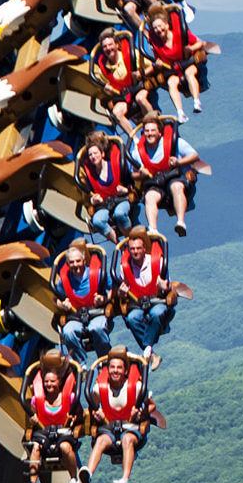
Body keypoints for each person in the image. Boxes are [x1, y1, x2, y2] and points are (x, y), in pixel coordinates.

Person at [83, 348, 154, 483]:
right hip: (108, 428)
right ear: (108, 370)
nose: (115, 371)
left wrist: (141, 414)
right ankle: (88, 473)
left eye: (119, 368)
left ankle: (124, 480)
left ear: (126, 371)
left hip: (131, 427)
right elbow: (93, 407)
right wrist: (97, 415)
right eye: (112, 367)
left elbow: (151, 406)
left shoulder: (137, 388)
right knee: (101, 441)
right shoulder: (98, 389)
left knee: (127, 439)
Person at [24, 351, 87, 483]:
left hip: (63, 431)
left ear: (59, 381)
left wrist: (74, 419)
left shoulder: (69, 398)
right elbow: (32, 412)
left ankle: (73, 479)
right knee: (35, 448)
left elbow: (80, 414)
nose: (49, 385)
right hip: (44, 431)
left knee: (65, 447)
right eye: (46, 382)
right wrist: (32, 419)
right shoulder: (37, 400)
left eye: (52, 382)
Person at [128, 114, 199, 236]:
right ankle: (153, 229)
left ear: (160, 133)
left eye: (152, 130)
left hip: (174, 177)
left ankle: (180, 222)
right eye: (147, 131)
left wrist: (179, 162)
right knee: (149, 196)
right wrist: (140, 174)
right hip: (155, 182)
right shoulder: (138, 152)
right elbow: (131, 174)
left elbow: (194, 155)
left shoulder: (173, 142)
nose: (149, 133)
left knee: (176, 186)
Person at [115, 227, 172, 370]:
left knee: (157, 313)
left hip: (157, 300)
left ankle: (147, 349)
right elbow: (123, 290)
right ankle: (151, 353)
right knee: (132, 318)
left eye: (138, 248)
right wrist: (122, 293)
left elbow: (168, 286)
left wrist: (164, 286)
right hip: (137, 303)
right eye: (132, 249)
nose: (135, 252)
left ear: (144, 248)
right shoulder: (125, 267)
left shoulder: (157, 262)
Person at [144, 4, 208, 122]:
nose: (158, 30)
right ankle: (180, 112)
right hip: (172, 69)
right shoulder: (155, 42)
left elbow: (200, 43)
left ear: (167, 25)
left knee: (189, 73)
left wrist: (191, 49)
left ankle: (196, 102)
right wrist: (158, 64)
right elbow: (158, 58)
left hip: (187, 63)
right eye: (155, 28)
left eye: (160, 26)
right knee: (171, 82)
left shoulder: (180, 34)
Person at [54, 241, 113, 366]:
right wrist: (63, 305)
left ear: (84, 261)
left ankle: (105, 361)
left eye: (78, 261)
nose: (75, 265)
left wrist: (104, 299)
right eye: (72, 262)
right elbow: (56, 299)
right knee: (68, 332)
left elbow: (112, 290)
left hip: (96, 312)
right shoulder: (64, 280)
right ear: (68, 264)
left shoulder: (97, 274)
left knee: (97, 328)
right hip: (75, 315)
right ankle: (81, 365)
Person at [93, 29, 152, 136]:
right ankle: (135, 138)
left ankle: (154, 122)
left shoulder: (131, 54)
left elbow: (151, 67)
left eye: (110, 45)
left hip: (138, 88)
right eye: (105, 47)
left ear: (116, 45)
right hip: (123, 96)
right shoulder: (104, 68)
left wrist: (141, 73)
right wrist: (107, 91)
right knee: (116, 112)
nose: (108, 48)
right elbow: (108, 92)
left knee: (140, 99)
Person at [79, 131, 134, 242]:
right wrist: (92, 199)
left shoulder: (116, 164)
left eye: (95, 153)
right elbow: (88, 194)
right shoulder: (89, 174)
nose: (93, 157)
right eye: (90, 155)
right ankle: (117, 242)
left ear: (102, 154)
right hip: (104, 204)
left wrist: (126, 190)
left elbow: (131, 183)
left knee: (119, 214)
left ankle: (130, 239)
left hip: (121, 198)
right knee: (97, 221)